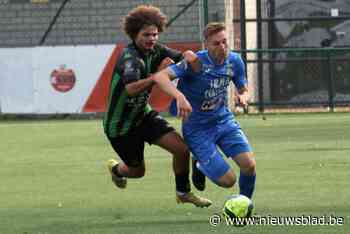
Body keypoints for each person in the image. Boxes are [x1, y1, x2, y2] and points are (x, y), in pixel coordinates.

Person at [103, 5, 212, 208]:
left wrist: (190, 55)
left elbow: (183, 60)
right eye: (146, 35)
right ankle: (117, 170)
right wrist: (157, 76)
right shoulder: (130, 59)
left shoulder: (157, 50)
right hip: (121, 126)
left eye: (154, 34)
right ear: (134, 34)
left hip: (143, 116)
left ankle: (183, 193)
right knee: (137, 172)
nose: (151, 39)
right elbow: (132, 89)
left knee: (181, 149)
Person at [151, 22, 257, 199]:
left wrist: (244, 96)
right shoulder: (195, 63)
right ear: (206, 45)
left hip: (224, 121)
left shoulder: (235, 61)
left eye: (225, 42)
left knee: (249, 165)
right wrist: (179, 96)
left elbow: (242, 87)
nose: (222, 47)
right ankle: (199, 162)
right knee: (228, 180)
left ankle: (245, 204)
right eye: (216, 43)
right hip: (197, 129)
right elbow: (160, 77)